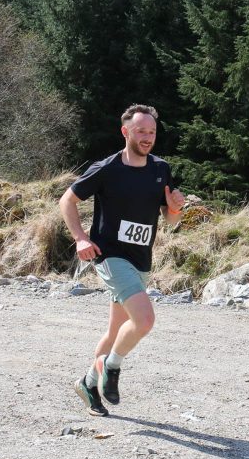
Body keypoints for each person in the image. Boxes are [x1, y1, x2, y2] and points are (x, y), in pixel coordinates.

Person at [58, 104, 185, 416]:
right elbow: (67, 200)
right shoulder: (107, 168)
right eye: (141, 131)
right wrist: (80, 238)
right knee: (144, 320)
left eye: (151, 132)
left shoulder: (160, 169)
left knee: (117, 330)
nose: (147, 137)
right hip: (109, 255)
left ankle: (88, 383)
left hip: (141, 259)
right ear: (126, 132)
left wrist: (176, 208)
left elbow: (170, 220)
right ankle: (111, 366)